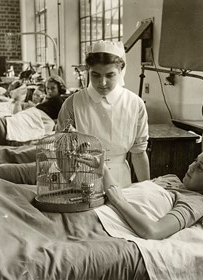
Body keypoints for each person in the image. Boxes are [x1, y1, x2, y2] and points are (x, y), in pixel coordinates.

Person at [57, 40, 150, 187]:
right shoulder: (72, 104)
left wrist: (147, 189)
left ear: (121, 70)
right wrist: (70, 183)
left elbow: (138, 153)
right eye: (96, 75)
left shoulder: (135, 104)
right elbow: (62, 151)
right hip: (83, 179)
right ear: (88, 70)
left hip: (120, 179)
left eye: (110, 75)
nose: (103, 82)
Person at [103, 144, 203, 240]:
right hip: (102, 210)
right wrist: (101, 169)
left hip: (107, 225)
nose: (191, 167)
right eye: (195, 161)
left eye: (200, 168)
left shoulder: (196, 201)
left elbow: (154, 232)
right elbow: (119, 193)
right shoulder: (171, 179)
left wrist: (118, 201)